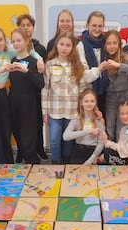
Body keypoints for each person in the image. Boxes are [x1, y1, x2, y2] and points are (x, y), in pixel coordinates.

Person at [0, 26, 43, 164]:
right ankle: (5, 162)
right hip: (0, 97)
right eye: (14, 41)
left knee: (17, 131)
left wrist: (39, 58)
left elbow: (29, 53)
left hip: (17, 98)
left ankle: (21, 160)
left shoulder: (14, 55)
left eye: (1, 39)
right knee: (2, 130)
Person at [42, 32, 89, 164]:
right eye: (62, 44)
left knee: (68, 142)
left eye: (68, 45)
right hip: (54, 112)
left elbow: (82, 89)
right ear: (57, 45)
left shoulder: (77, 66)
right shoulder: (50, 65)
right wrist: (44, 112)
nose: (64, 48)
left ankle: (67, 165)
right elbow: (45, 89)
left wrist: (82, 111)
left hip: (72, 112)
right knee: (54, 141)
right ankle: (56, 164)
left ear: (72, 48)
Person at [8, 27, 45, 164]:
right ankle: (21, 152)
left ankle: (32, 159)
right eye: (13, 41)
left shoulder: (34, 61)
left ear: (26, 41)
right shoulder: (11, 60)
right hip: (13, 100)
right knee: (16, 129)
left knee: (28, 133)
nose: (16, 43)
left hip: (29, 102)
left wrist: (27, 71)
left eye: (19, 40)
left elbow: (41, 83)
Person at [16, 14, 48, 161]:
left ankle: (39, 149)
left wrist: (40, 59)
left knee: (36, 124)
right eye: (22, 25)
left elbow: (42, 72)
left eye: (28, 25)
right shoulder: (13, 51)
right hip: (19, 95)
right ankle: (23, 151)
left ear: (33, 27)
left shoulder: (40, 48)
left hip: (35, 93)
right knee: (21, 126)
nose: (25, 27)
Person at [104, 30, 128, 141]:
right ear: (105, 45)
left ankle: (121, 154)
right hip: (110, 98)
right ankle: (110, 153)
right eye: (109, 43)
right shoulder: (102, 58)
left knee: (122, 128)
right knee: (109, 127)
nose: (112, 46)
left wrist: (119, 65)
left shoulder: (127, 57)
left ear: (119, 44)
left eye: (114, 43)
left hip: (125, 97)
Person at [77, 11, 109, 116]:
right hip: (88, 96)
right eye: (94, 25)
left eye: (100, 26)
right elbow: (84, 76)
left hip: (106, 94)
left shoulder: (107, 43)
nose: (97, 28)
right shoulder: (80, 46)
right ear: (87, 25)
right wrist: (99, 69)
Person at [63, 88, 105, 164]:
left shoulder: (99, 120)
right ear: (81, 102)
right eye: (86, 101)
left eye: (92, 101)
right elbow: (65, 136)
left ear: (95, 103)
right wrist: (88, 131)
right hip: (78, 151)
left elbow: (101, 142)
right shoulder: (77, 119)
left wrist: (91, 160)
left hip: (94, 152)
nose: (89, 104)